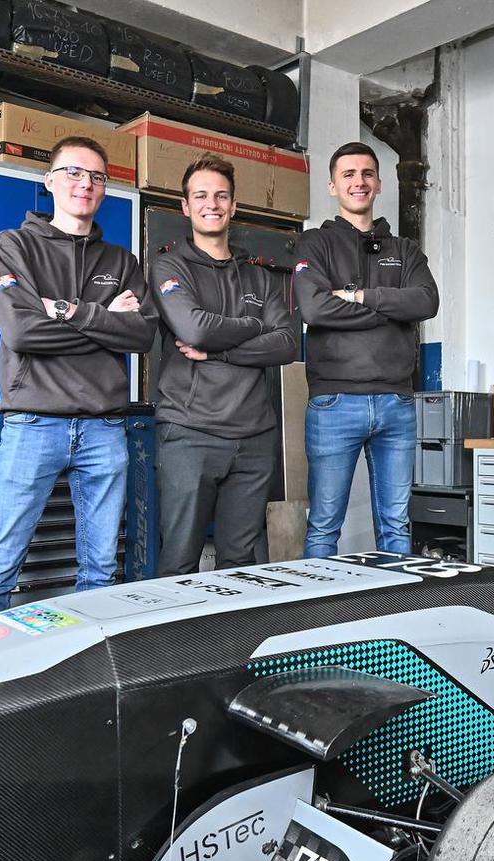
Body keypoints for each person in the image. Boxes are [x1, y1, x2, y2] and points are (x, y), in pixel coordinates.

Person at [0, 136, 158, 620]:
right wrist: (105, 322)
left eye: (96, 176)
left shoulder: (121, 263)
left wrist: (69, 311)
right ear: (50, 181)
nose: (85, 183)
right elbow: (22, 331)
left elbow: (141, 336)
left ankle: (87, 662)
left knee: (101, 573)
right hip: (34, 424)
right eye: (73, 172)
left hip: (104, 428)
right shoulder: (13, 246)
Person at [149, 156, 298, 575]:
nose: (211, 204)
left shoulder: (260, 278)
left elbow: (287, 343)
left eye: (220, 196)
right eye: (200, 196)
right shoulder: (169, 266)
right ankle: (176, 624)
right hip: (190, 434)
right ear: (185, 206)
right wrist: (254, 326)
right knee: (179, 561)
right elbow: (194, 329)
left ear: (233, 206)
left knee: (242, 565)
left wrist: (221, 352)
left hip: (254, 438)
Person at [293, 141, 439, 558]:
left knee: (396, 525)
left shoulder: (404, 250)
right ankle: (321, 603)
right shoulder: (315, 244)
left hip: (396, 403)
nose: (359, 182)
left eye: (367, 174)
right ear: (332, 186)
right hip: (335, 403)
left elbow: (426, 302)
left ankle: (393, 599)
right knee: (324, 526)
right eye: (349, 174)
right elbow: (315, 309)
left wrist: (358, 296)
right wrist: (391, 310)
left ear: (378, 184)